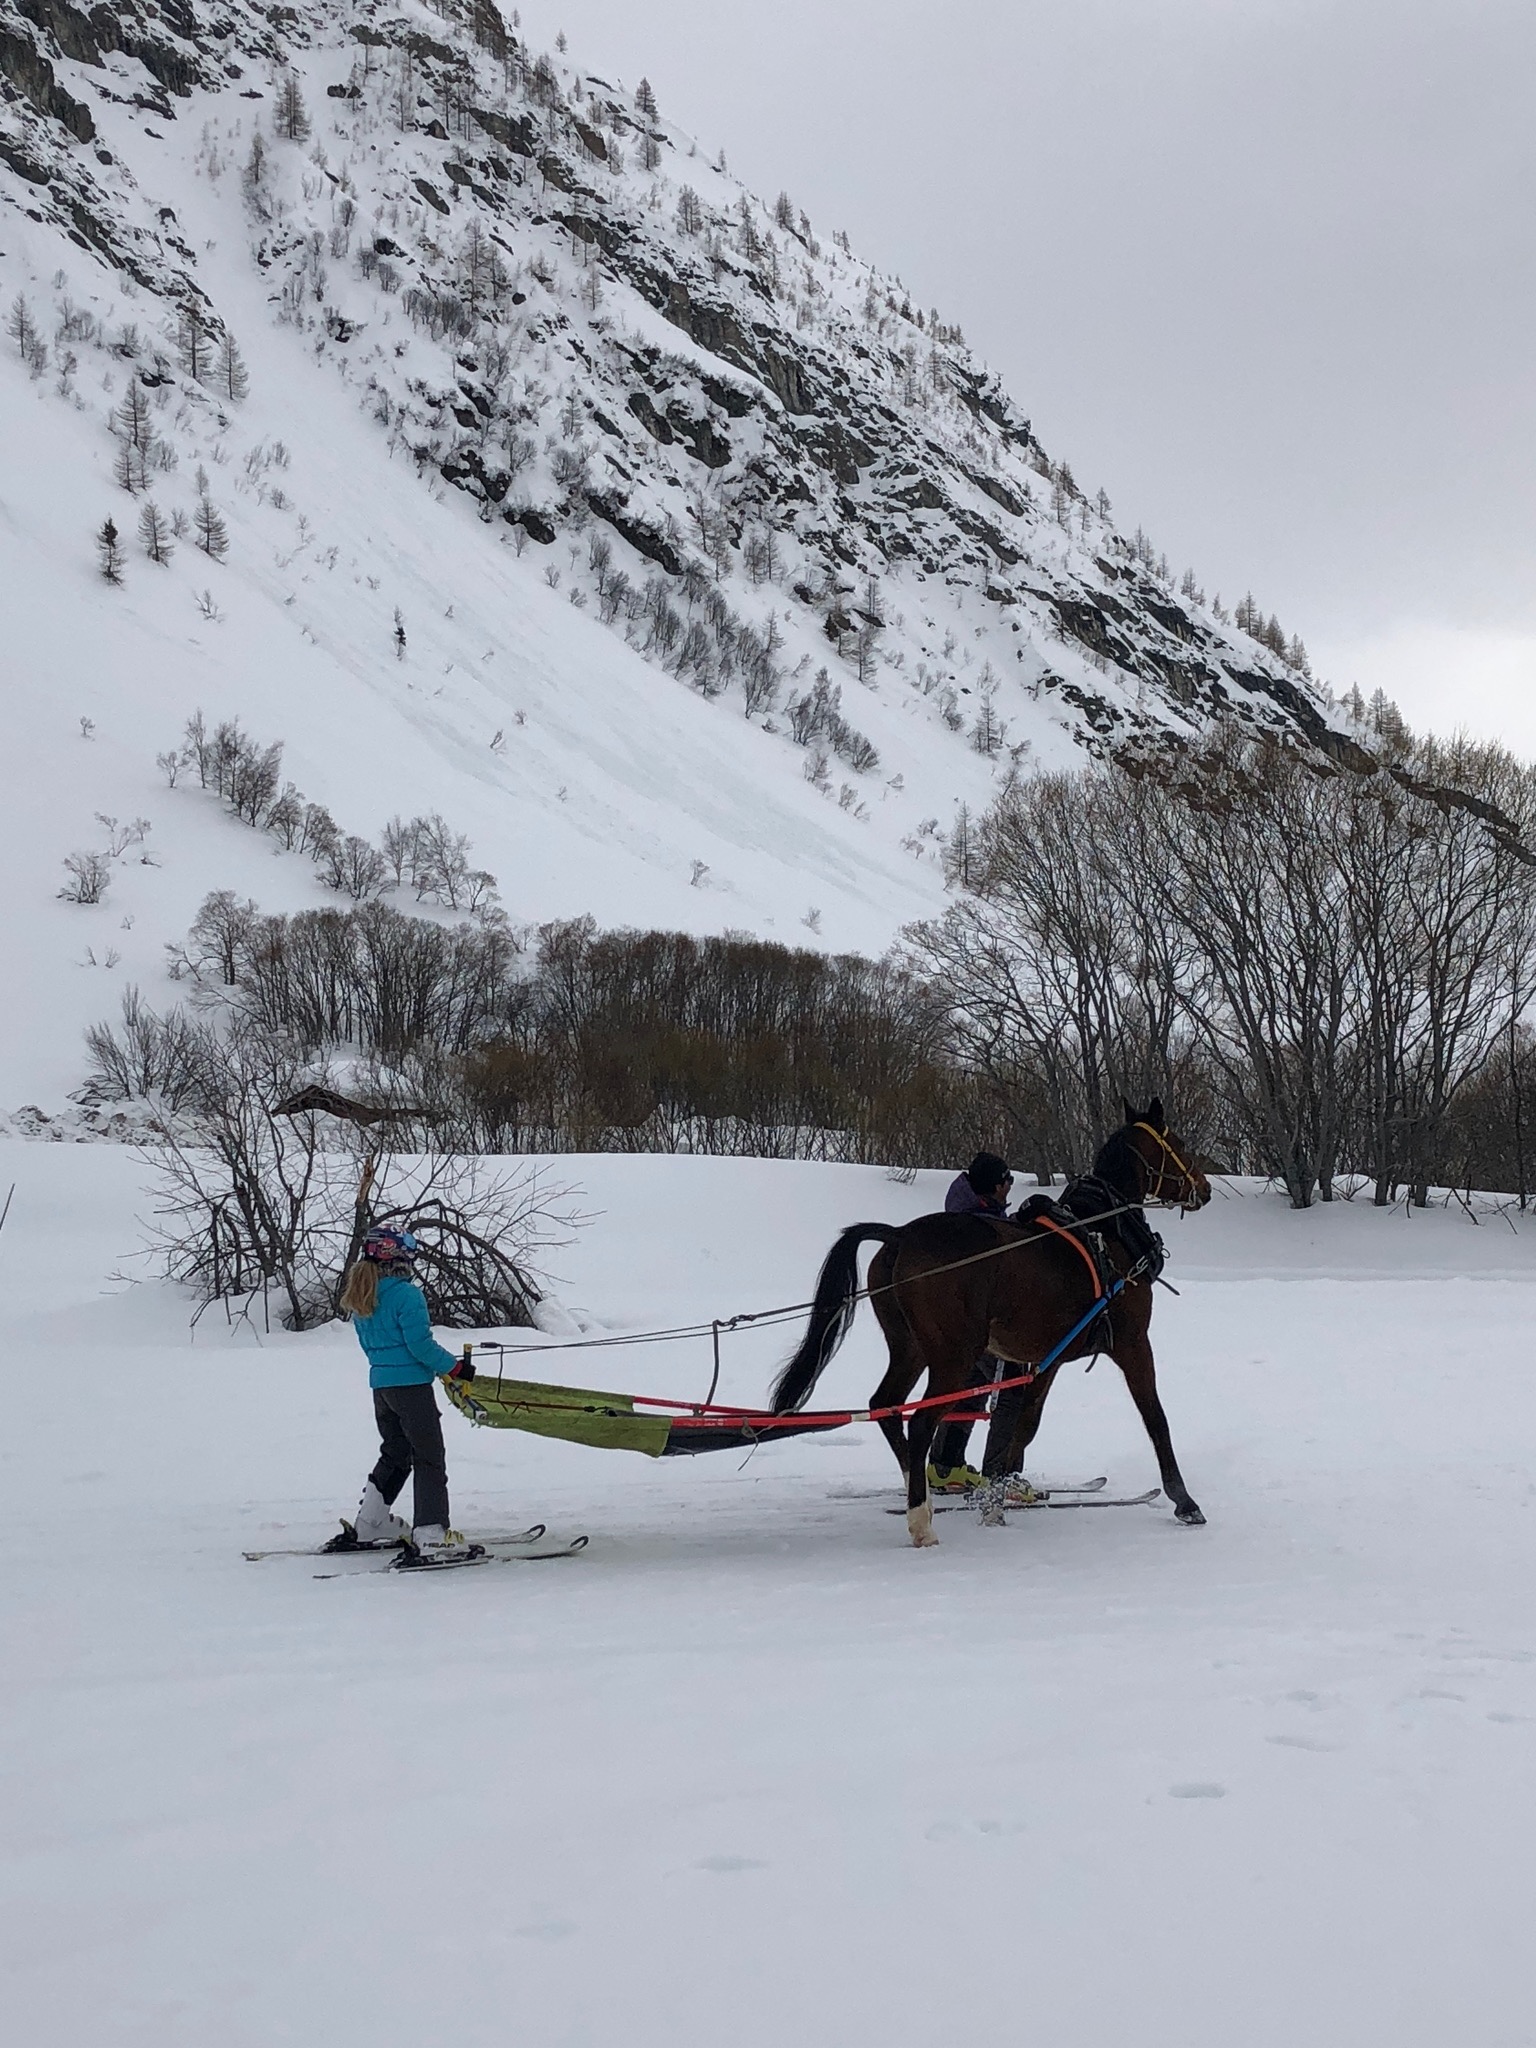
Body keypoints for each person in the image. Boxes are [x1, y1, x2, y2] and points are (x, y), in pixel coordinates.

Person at [331, 1226, 483, 1565]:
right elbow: (420, 1346)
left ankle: (370, 1522)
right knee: (429, 1456)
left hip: (382, 1388)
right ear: (398, 1257)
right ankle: (431, 1534)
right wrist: (455, 1368)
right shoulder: (407, 1295)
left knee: (396, 1452)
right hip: (412, 1389)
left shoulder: (363, 1294)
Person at [928, 1154, 1014, 1493]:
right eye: (1008, 1182)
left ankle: (945, 1465)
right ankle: (999, 1476)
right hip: (980, 1321)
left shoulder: (963, 1212)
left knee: (967, 1387)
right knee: (1007, 1389)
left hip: (960, 1323)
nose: (1010, 1188)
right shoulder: (982, 1224)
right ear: (996, 1186)